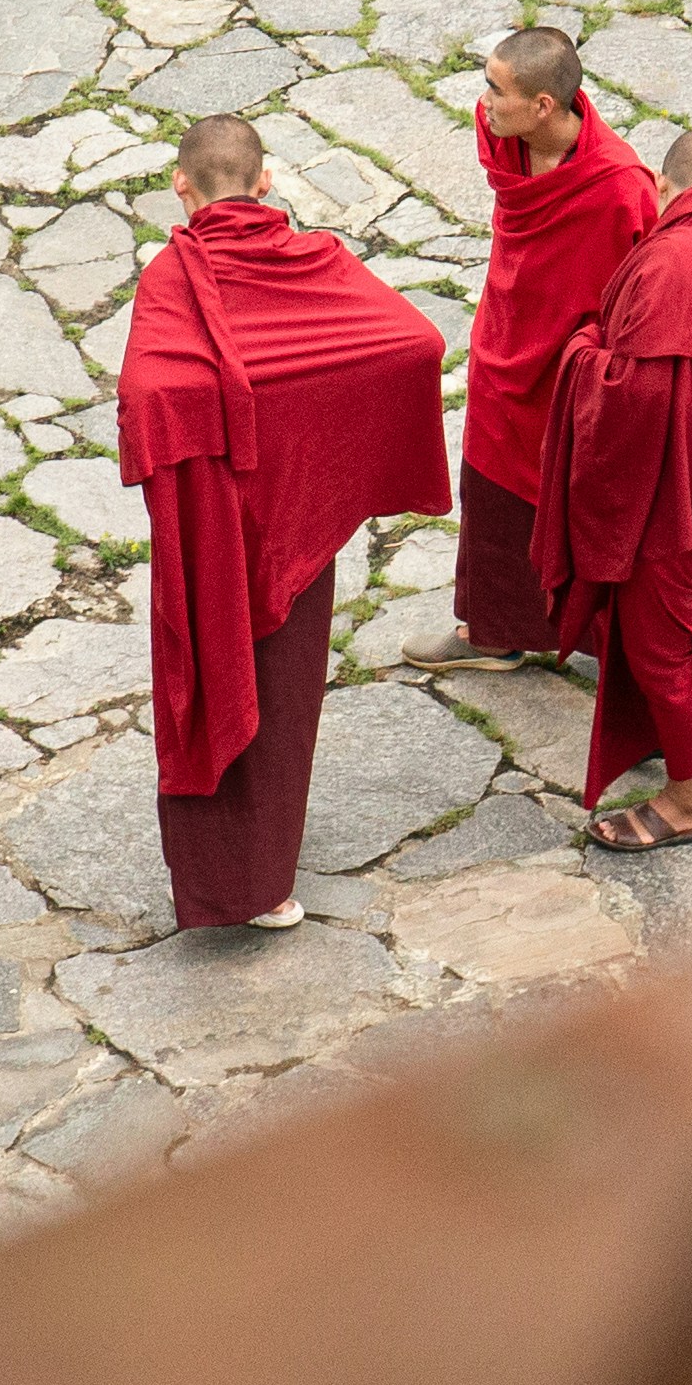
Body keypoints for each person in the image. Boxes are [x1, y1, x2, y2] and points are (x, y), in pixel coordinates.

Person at [119, 116, 450, 927]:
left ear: (181, 185)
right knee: (285, 693)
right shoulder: (319, 262)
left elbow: (147, 398)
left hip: (215, 534)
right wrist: (317, 448)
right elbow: (415, 343)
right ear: (266, 182)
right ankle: (265, 878)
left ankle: (226, 880)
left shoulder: (169, 278)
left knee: (212, 674)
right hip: (298, 524)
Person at [532, 127, 692, 852]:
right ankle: (664, 752)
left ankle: (687, 801)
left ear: (663, 187)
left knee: (663, 651)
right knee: (669, 633)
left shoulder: (670, 264)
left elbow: (633, 400)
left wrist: (583, 351)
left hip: (669, 511)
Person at [410, 25, 657, 680]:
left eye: (498, 88)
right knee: (490, 489)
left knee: (579, 507)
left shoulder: (620, 186)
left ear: (544, 106)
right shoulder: (500, 134)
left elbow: (640, 293)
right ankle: (491, 632)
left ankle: (618, 654)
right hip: (505, 338)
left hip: (570, 371)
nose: (483, 100)